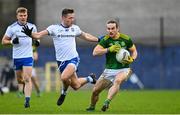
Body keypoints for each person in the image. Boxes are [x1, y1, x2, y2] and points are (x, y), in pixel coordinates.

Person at [21, 8, 99, 106]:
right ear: (63, 17)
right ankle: (90, 78)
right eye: (70, 18)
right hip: (61, 62)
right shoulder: (54, 28)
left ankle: (63, 93)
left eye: (73, 18)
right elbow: (38, 35)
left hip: (73, 59)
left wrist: (98, 40)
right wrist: (30, 34)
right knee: (76, 85)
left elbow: (86, 36)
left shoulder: (75, 28)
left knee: (64, 77)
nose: (72, 20)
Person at [86, 20, 138, 112]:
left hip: (124, 69)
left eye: (113, 28)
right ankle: (92, 106)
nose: (110, 31)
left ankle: (107, 102)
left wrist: (132, 59)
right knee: (95, 91)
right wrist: (109, 49)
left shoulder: (126, 39)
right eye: (108, 28)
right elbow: (95, 52)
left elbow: (134, 51)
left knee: (117, 81)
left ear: (118, 29)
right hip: (109, 70)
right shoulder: (105, 40)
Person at [1, 7, 37, 108]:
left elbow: (36, 38)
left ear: (27, 16)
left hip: (28, 56)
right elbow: (3, 41)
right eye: (21, 15)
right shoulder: (11, 28)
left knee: (27, 78)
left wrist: (37, 42)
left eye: (24, 15)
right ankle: (24, 88)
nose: (23, 17)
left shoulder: (32, 26)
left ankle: (27, 100)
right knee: (20, 80)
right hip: (17, 57)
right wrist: (12, 41)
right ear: (17, 16)